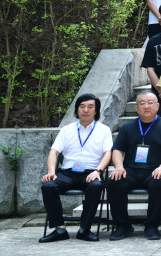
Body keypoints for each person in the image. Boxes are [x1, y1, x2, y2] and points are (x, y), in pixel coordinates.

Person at [39, 94, 112, 243]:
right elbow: (53, 152)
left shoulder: (104, 130)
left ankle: (84, 229)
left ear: (96, 110)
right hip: (67, 173)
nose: (86, 110)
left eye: (90, 107)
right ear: (77, 109)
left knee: (96, 186)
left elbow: (108, 154)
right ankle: (60, 229)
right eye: (82, 106)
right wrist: (51, 172)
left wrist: (98, 171)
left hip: (91, 172)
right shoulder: (66, 130)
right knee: (48, 186)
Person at [107, 91, 161, 241]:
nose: (146, 106)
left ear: (157, 106)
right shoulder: (127, 127)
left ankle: (152, 225)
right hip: (130, 170)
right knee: (114, 182)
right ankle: (123, 225)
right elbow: (117, 150)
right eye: (142, 103)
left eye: (150, 103)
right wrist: (119, 167)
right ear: (136, 108)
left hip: (155, 170)